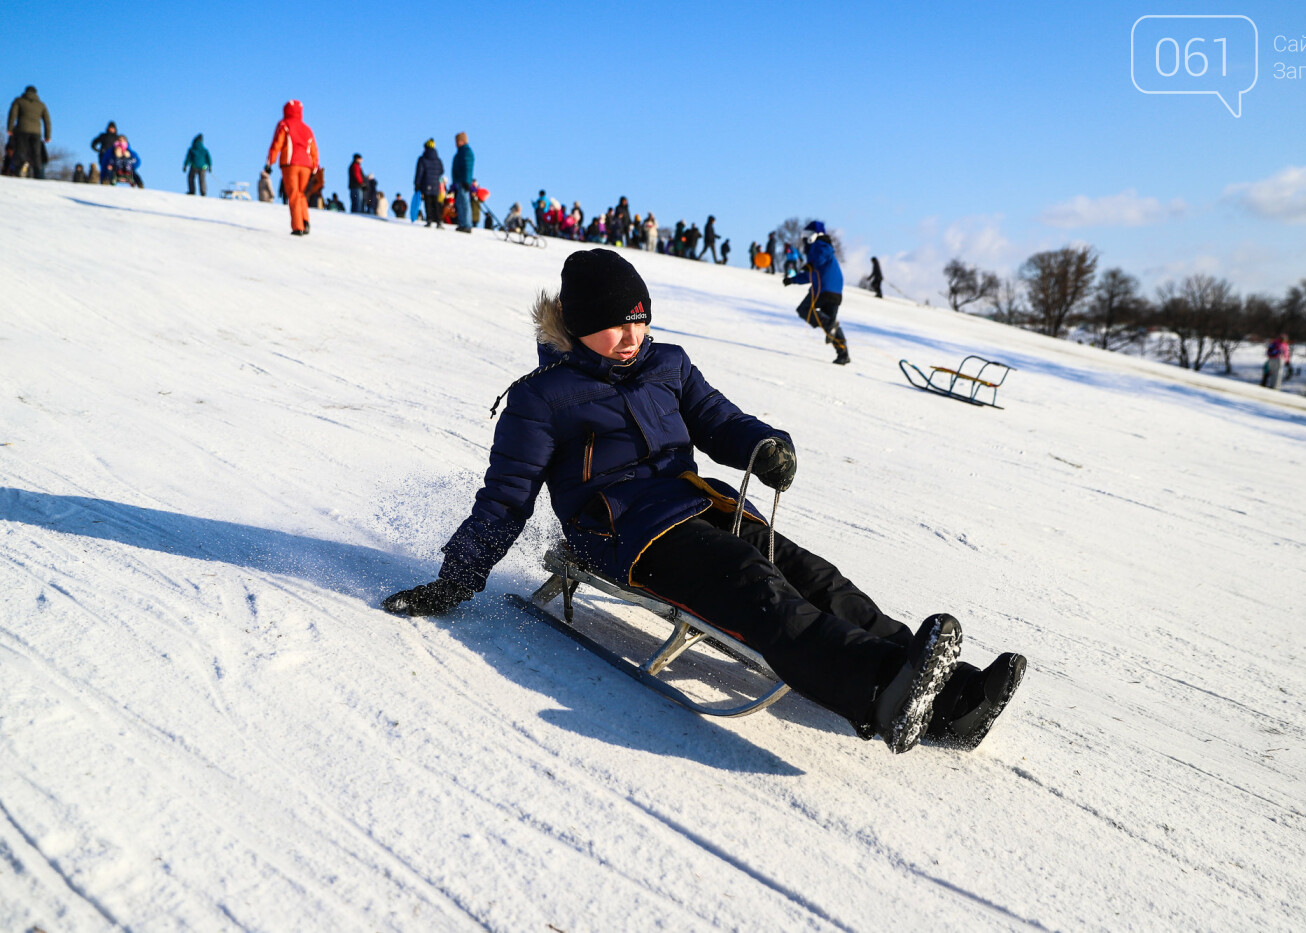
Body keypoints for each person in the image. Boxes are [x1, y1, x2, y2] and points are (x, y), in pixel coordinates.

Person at [381, 249, 1025, 754]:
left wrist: (765, 445)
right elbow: (505, 500)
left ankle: (955, 699)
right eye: (614, 323)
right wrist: (458, 577)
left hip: (704, 504)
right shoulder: (538, 400)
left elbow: (720, 421)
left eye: (640, 318)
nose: (632, 334)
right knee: (757, 589)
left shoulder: (670, 365)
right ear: (578, 328)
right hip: (628, 534)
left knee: (817, 579)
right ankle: (882, 689)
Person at [784, 220, 849, 365]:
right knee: (830, 325)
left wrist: (810, 265)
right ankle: (843, 354)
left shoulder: (820, 246)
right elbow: (811, 274)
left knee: (804, 310)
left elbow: (817, 261)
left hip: (823, 289)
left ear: (812, 236)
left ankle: (829, 324)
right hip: (835, 291)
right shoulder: (824, 250)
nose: (804, 240)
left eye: (805, 236)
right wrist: (793, 280)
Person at [264, 99, 319, 236]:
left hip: (290, 164)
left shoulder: (284, 124)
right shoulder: (307, 129)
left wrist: (270, 162)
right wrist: (315, 167)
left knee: (293, 193)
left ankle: (297, 226)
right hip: (306, 165)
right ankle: (305, 220)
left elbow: (277, 143)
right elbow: (314, 150)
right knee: (301, 194)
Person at [6, 86, 51, 180]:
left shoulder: (19, 101)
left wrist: (10, 128)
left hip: (22, 130)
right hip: (36, 132)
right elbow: (47, 120)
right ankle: (38, 174)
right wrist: (47, 136)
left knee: (21, 151)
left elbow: (12, 114)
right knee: (36, 153)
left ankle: (20, 170)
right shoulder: (41, 104)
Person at [415, 139, 445, 228]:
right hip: (436, 184)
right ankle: (439, 221)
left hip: (426, 183)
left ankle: (429, 220)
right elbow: (441, 170)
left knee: (428, 202)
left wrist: (417, 184)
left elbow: (419, 172)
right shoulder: (438, 159)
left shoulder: (422, 159)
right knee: (436, 202)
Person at [451, 132, 475, 233]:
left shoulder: (466, 152)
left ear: (461, 141)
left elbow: (467, 167)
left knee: (464, 202)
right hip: (459, 181)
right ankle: (462, 223)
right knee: (460, 202)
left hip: (463, 181)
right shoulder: (460, 152)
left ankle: (467, 224)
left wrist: (466, 180)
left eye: (457, 141)